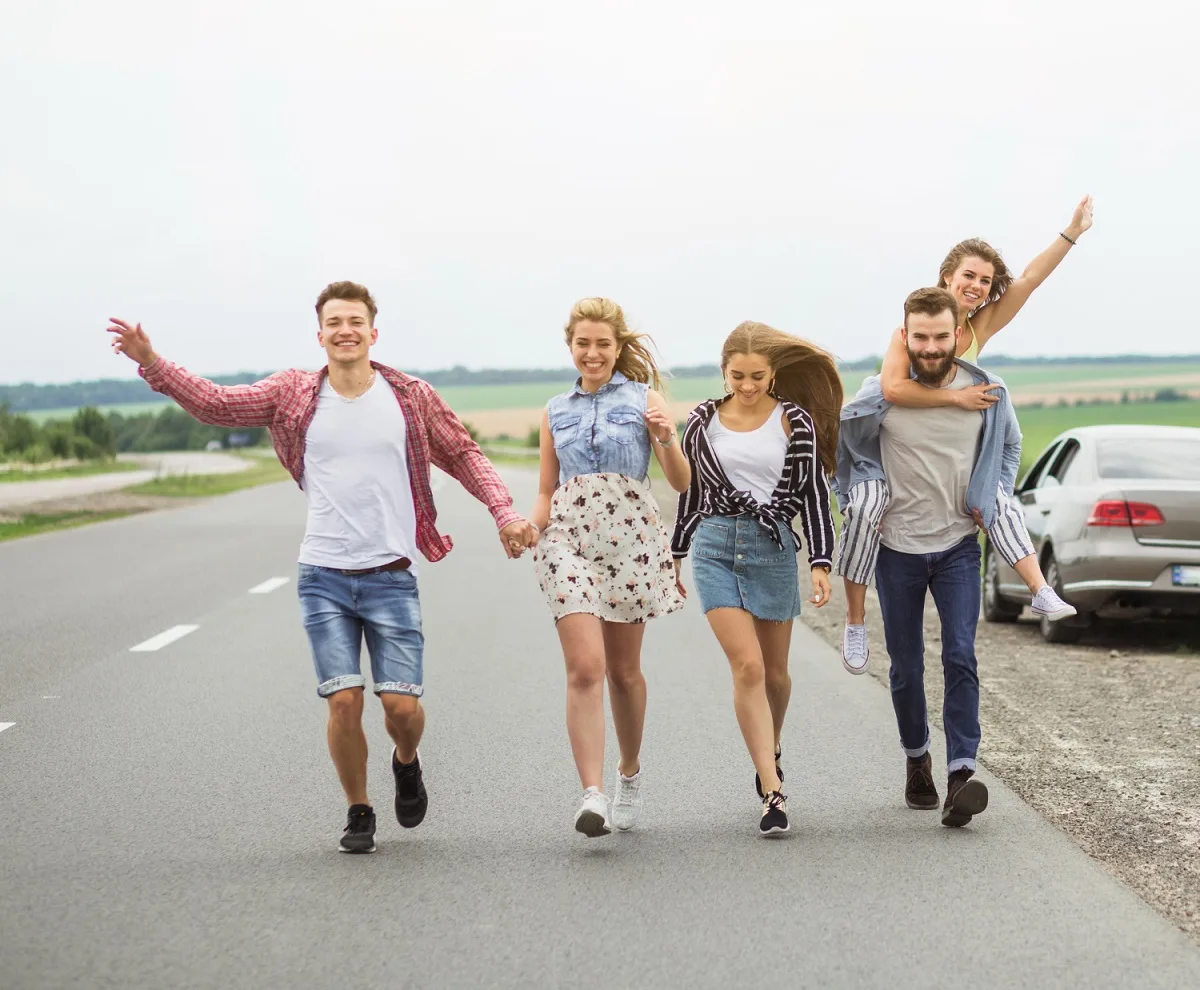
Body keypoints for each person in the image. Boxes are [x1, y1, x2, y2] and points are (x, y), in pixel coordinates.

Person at [107, 281, 537, 854]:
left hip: (390, 574)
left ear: (373, 332)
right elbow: (217, 404)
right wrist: (153, 363)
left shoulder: (409, 396)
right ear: (321, 334)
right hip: (323, 576)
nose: (346, 330)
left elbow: (462, 453)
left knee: (402, 708)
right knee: (343, 700)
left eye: (355, 321)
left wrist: (504, 512)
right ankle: (359, 810)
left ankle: (405, 762)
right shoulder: (293, 393)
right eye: (334, 322)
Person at [838, 196, 1094, 672]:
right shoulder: (911, 330)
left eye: (984, 280)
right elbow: (894, 388)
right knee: (868, 506)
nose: (976, 286)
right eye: (968, 276)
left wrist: (1072, 231)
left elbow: (1031, 280)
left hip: (953, 446)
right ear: (946, 277)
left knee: (995, 499)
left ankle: (1040, 590)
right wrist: (956, 398)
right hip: (883, 434)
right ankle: (854, 622)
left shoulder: (977, 327)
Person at [835, 286, 1023, 827]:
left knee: (961, 654)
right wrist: (856, 499)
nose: (932, 346)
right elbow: (845, 445)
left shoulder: (987, 390)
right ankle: (918, 759)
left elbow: (1008, 446)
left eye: (941, 336)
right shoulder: (882, 393)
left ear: (955, 333)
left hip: (960, 544)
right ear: (906, 336)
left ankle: (960, 773)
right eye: (921, 337)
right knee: (907, 666)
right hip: (897, 548)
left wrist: (994, 494)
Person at [529, 297, 691, 837]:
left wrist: (666, 434)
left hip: (632, 542)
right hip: (567, 540)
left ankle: (629, 772)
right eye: (583, 343)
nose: (592, 353)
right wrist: (529, 527)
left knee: (624, 674)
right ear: (570, 346)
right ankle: (591, 794)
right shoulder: (555, 409)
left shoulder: (645, 399)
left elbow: (680, 480)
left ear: (618, 347)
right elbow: (545, 490)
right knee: (584, 668)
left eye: (603, 344)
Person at [672, 322, 839, 836]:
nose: (747, 386)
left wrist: (820, 559)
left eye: (758, 376)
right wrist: (676, 550)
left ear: (774, 373)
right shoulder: (702, 423)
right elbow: (691, 492)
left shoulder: (796, 422)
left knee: (775, 676)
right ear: (723, 371)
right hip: (715, 546)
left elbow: (812, 494)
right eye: (738, 376)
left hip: (773, 549)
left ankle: (771, 745)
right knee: (747, 667)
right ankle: (772, 791)